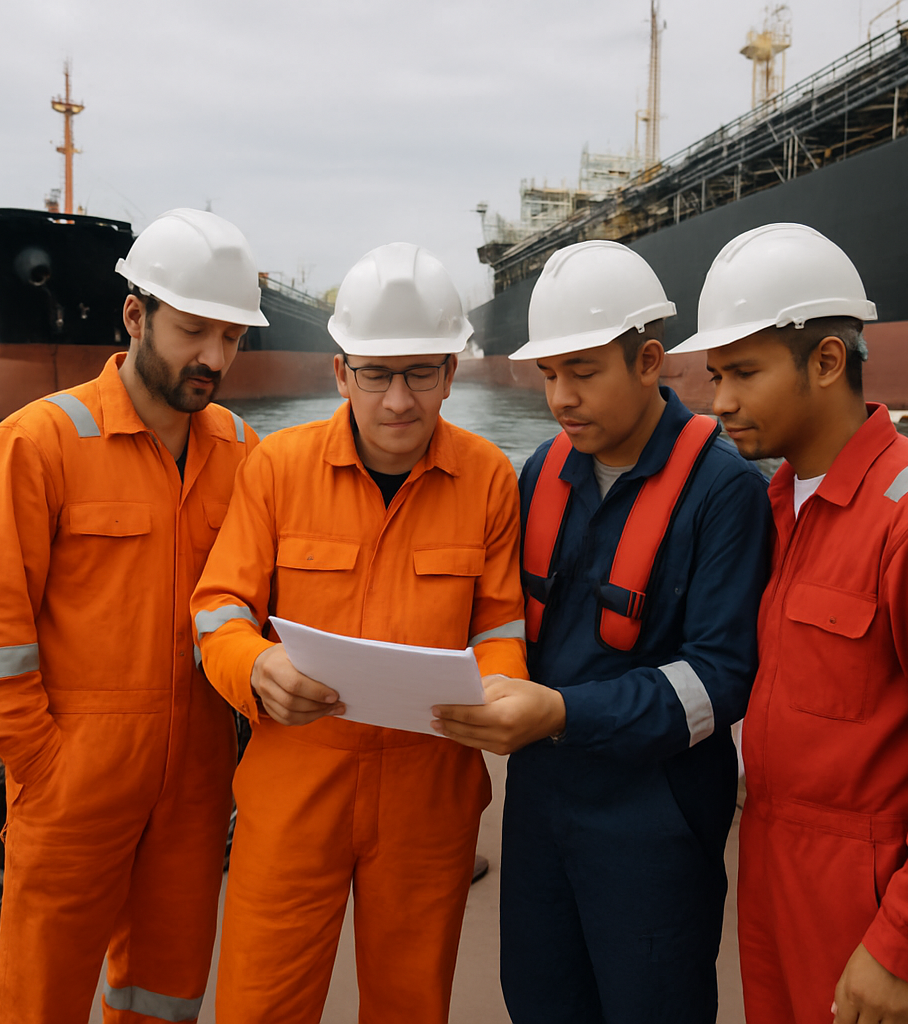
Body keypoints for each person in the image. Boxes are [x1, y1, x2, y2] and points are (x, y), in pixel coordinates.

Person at [0, 208, 266, 1024]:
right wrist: (44, 767)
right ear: (135, 315)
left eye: (231, 339)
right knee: (37, 996)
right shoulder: (40, 443)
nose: (214, 359)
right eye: (195, 332)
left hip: (195, 780)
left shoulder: (243, 452)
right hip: (72, 779)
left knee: (165, 988)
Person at [190, 241, 527, 1024]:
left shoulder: (488, 480)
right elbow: (219, 608)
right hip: (294, 783)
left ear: (451, 372)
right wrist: (255, 669)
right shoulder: (276, 468)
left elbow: (500, 623)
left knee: (410, 1004)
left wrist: (502, 684)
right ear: (342, 374)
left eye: (420, 373)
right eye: (375, 373)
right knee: (260, 1003)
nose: (398, 401)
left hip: (430, 790)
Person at [435, 239, 771, 1023]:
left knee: (650, 1003)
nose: (561, 398)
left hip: (657, 823)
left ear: (649, 360)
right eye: (549, 375)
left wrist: (562, 713)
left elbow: (720, 681)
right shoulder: (539, 474)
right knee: (542, 996)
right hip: (544, 809)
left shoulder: (724, 492)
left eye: (583, 373)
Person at [667, 221, 908, 1024]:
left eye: (743, 373)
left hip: (877, 902)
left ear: (827, 361)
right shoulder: (782, 504)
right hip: (776, 873)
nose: (719, 399)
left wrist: (905, 942)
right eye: (714, 373)